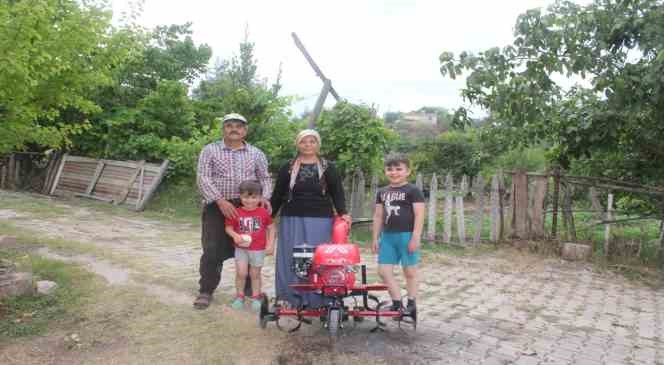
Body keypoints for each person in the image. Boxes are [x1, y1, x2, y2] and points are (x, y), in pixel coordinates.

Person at [194, 113, 272, 309]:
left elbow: (265, 179)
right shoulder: (209, 150)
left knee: (248, 246)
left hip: (248, 207)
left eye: (238, 126)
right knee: (212, 248)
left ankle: (248, 290)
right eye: (229, 125)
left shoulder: (256, 153)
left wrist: (264, 198)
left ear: (245, 130)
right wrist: (220, 201)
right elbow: (203, 177)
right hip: (216, 205)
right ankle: (206, 290)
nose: (234, 129)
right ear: (223, 129)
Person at [270, 129, 351, 308]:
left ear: (318, 144)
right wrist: (269, 215)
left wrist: (343, 212)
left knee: (318, 257)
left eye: (312, 141)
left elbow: (337, 191)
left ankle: (320, 298)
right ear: (297, 144)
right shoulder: (288, 166)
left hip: (320, 219)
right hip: (292, 217)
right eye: (304, 142)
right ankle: (289, 297)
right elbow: (278, 193)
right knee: (293, 257)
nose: (308, 145)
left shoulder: (328, 167)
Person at [371, 153, 425, 315]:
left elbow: (419, 214)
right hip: (387, 237)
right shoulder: (382, 192)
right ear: (385, 171)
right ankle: (396, 303)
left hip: (406, 236)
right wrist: (375, 237)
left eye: (398, 169)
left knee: (410, 272)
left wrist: (415, 237)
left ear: (407, 171)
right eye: (390, 169)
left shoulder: (413, 191)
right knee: (383, 271)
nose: (394, 172)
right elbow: (378, 216)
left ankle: (411, 304)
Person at [225, 180, 276, 311]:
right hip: (241, 249)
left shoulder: (263, 213)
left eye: (254, 197)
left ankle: (256, 297)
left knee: (255, 274)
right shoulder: (236, 212)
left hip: (258, 250)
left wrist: (270, 245)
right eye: (246, 197)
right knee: (241, 273)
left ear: (260, 197)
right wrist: (235, 236)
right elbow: (228, 228)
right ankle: (239, 297)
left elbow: (271, 228)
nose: (250, 201)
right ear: (240, 196)